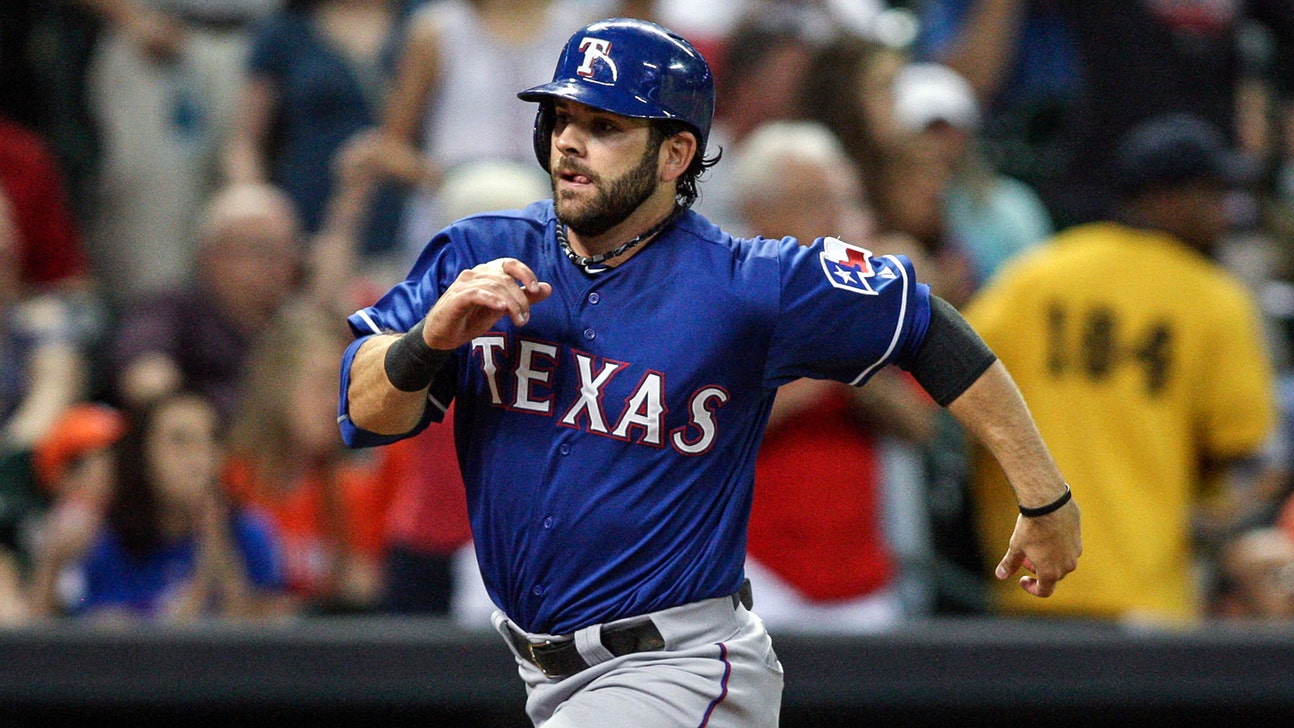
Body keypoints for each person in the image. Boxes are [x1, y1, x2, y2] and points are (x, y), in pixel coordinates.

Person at [337, 18, 1080, 726]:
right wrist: (429, 340)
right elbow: (366, 413)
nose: (569, 142)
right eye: (562, 118)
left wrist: (1044, 496)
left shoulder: (745, 283)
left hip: (678, 665)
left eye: (605, 126)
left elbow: (925, 325)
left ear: (675, 155)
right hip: (544, 673)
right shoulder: (481, 251)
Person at [964, 113, 1276, 626]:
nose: (1224, 212)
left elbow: (952, 383)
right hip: (1147, 595)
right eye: (1211, 194)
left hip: (1028, 590)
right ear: (1164, 197)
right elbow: (1240, 448)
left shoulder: (1035, 274)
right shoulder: (1213, 298)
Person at [730, 119, 939, 630]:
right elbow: (720, 422)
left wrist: (859, 333)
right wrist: (839, 345)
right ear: (759, 212)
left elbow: (918, 424)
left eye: (844, 201)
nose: (836, 220)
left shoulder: (868, 303)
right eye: (815, 202)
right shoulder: (726, 296)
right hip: (751, 571)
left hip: (861, 577)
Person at [53, 391, 288, 621]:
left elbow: (263, 633)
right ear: (143, 453)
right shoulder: (105, 539)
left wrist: (219, 555)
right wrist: (52, 562)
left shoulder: (248, 533)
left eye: (211, 440)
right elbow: (99, 629)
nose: (199, 458)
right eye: (179, 441)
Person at [106, 182, 303, 422]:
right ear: (212, 255)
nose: (277, 264)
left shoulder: (296, 325)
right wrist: (175, 404)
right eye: (260, 249)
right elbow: (144, 376)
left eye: (286, 249)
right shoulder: (171, 312)